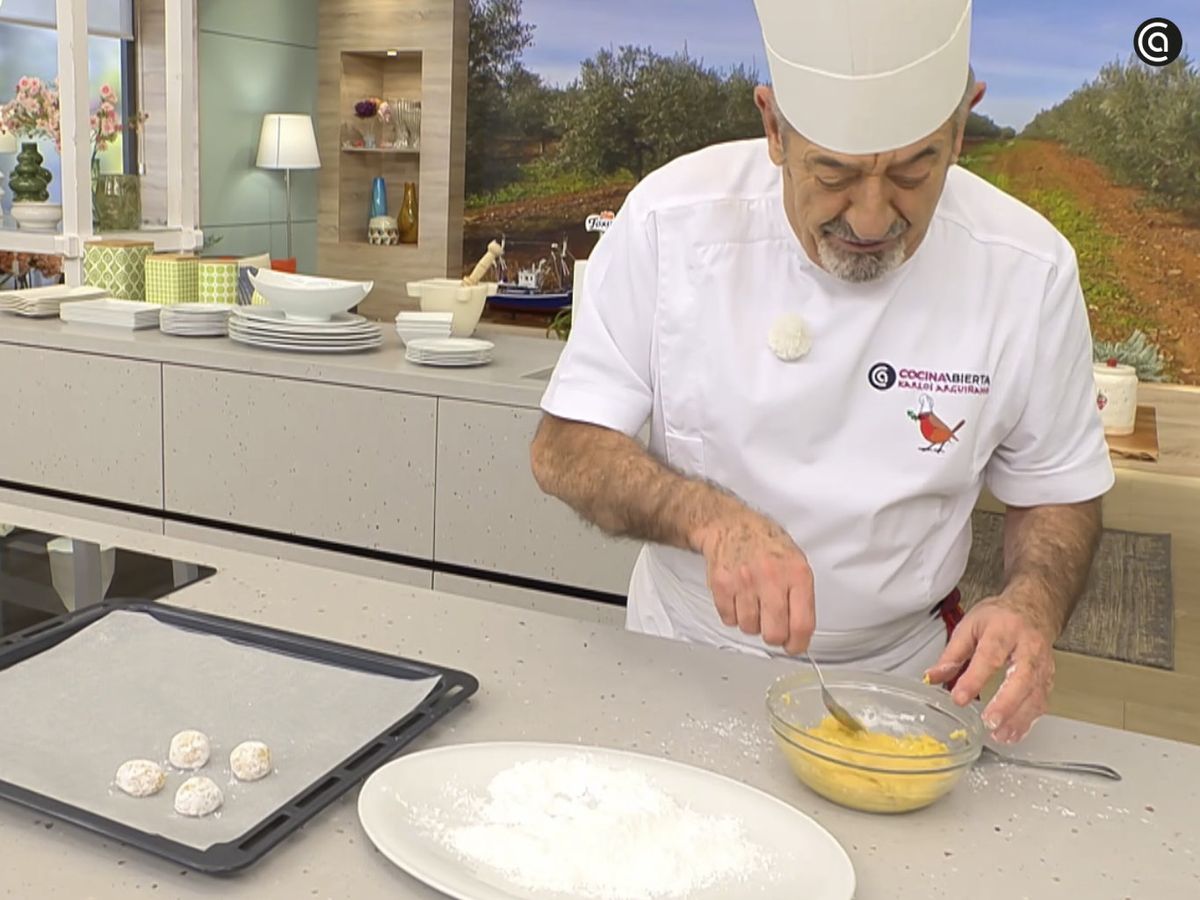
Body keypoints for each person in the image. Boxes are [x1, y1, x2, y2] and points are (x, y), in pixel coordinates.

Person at [529, 0, 1113, 745]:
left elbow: (1058, 489)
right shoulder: (672, 221)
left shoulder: (1028, 268)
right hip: (685, 656)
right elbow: (566, 447)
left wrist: (1032, 603)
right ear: (774, 129)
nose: (872, 219)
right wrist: (709, 521)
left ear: (963, 126)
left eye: (914, 169)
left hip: (906, 677)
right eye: (833, 173)